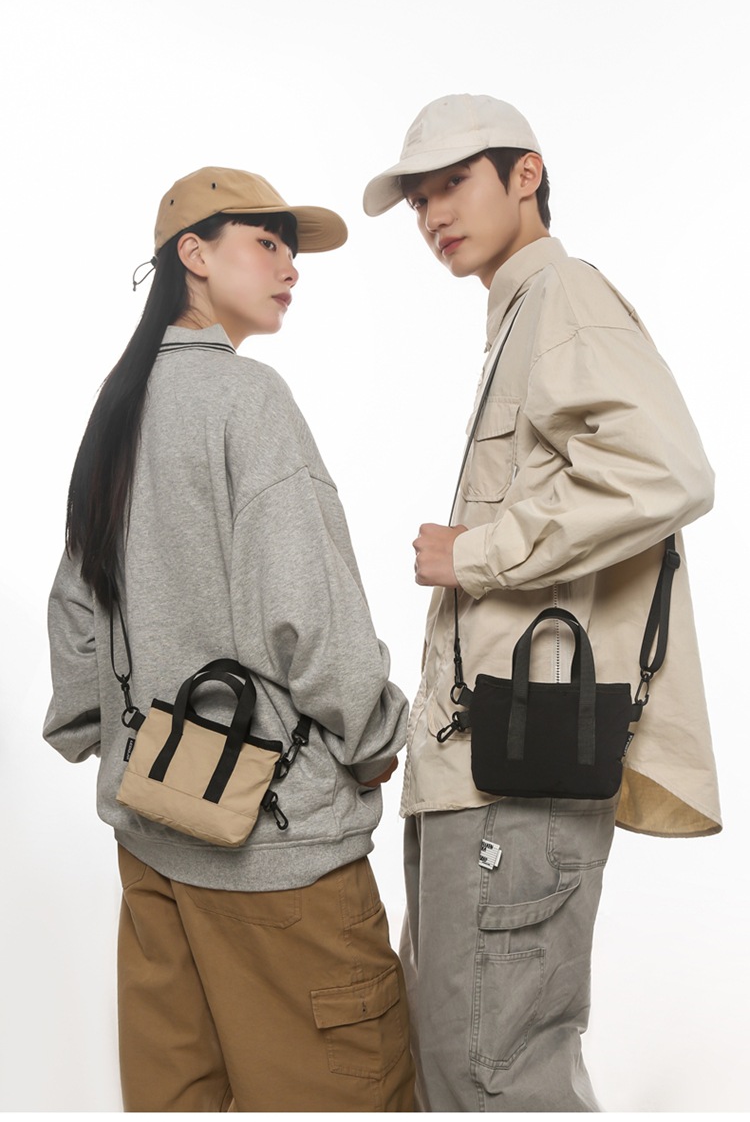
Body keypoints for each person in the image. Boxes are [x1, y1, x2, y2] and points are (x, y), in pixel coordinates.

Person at [363, 95, 722, 1112]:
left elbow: (668, 469)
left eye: (453, 183)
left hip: (516, 774)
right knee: (461, 1071)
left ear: (526, 175)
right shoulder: (522, 316)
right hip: (486, 766)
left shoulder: (564, 297)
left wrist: (479, 551)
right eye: (419, 199)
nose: (434, 214)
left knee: (494, 1078)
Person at [43, 166, 415, 1112]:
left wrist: (104, 734)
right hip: (276, 857)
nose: (291, 266)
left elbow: (77, 606)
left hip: (152, 840)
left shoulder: (120, 404)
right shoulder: (247, 400)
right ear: (194, 256)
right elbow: (309, 610)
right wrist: (374, 737)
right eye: (268, 242)